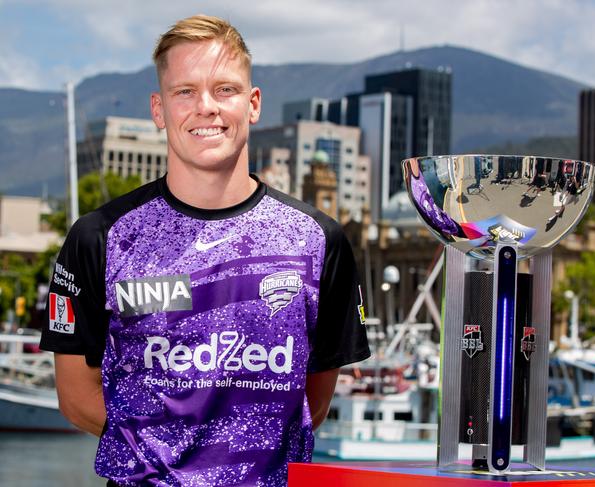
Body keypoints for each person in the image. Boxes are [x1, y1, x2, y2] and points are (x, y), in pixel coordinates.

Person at [40, 15, 370, 486]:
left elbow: (310, 405)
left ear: (253, 104)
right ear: (159, 109)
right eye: (185, 91)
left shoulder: (319, 240)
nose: (206, 107)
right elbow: (75, 398)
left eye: (225, 89)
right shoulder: (99, 237)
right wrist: (175, 470)